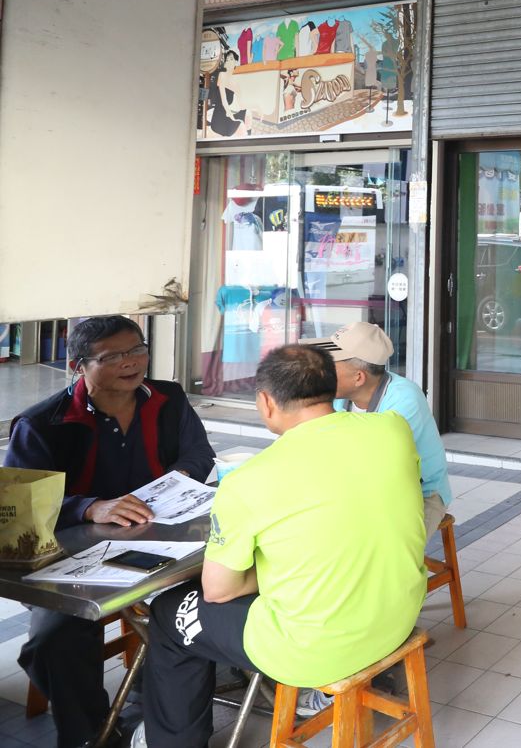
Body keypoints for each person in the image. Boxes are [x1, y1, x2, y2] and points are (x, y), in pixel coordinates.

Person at [136, 345, 425, 748]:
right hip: (398, 616)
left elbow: (218, 590)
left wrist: (277, 566)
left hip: (313, 651)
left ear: (266, 401)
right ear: (331, 388)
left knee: (170, 611)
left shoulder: (248, 481)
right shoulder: (392, 429)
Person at [4, 316, 215, 748]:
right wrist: (89, 507)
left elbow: (198, 454)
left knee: (209, 596)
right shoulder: (43, 424)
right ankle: (91, 733)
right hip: (76, 554)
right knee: (54, 638)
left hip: (165, 535)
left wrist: (173, 483)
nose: (130, 362)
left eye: (137, 350)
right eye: (113, 356)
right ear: (78, 365)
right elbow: (20, 505)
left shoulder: (168, 397)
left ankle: (152, 696)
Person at [316, 322, 452, 536]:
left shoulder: (405, 399)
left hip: (420, 493)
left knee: (387, 544)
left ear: (358, 377)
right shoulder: (336, 396)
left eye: (329, 367)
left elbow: (377, 467)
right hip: (359, 489)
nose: (321, 372)